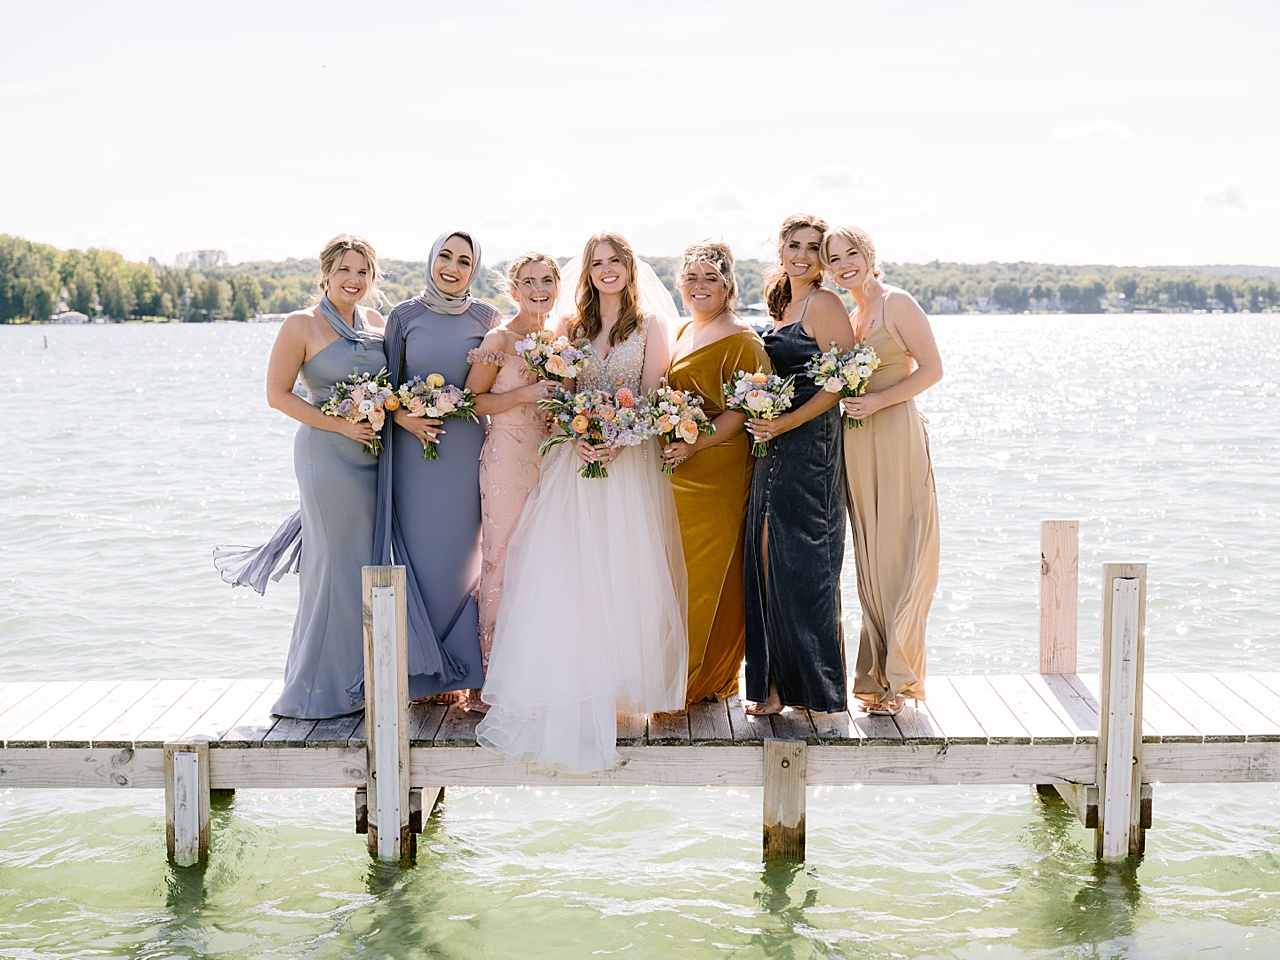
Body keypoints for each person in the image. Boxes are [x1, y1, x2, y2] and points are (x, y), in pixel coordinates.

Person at [476, 231, 688, 772]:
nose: (606, 270)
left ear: (629, 267)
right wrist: (578, 435)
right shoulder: (571, 327)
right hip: (574, 458)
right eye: (597, 263)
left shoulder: (650, 326)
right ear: (588, 271)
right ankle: (572, 681)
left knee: (624, 567)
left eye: (615, 261)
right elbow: (561, 394)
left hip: (629, 461)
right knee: (572, 571)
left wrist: (618, 439)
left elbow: (652, 392)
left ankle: (621, 684)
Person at [213, 234, 386, 718]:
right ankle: (313, 693)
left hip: (373, 456)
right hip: (326, 455)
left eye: (363, 272)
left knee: (364, 566)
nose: (354, 280)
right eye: (345, 270)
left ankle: (359, 682)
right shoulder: (300, 324)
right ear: (327, 273)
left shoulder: (376, 323)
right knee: (331, 566)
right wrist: (342, 425)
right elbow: (279, 395)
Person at [350, 230, 501, 704]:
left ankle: (461, 672)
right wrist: (404, 416)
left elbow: (491, 388)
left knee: (463, 562)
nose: (452, 268)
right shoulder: (404, 317)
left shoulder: (487, 318)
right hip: (415, 459)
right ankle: (421, 677)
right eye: (445, 257)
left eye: (463, 261)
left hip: (465, 454)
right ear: (432, 259)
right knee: (420, 560)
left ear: (473, 269)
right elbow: (385, 387)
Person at [823, 224, 941, 716]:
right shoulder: (852, 316)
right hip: (857, 442)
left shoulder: (897, 302)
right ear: (827, 269)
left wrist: (876, 402)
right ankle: (876, 679)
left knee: (901, 548)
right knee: (871, 558)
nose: (844, 263)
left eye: (852, 252)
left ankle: (899, 676)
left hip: (893, 436)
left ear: (870, 255)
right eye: (834, 258)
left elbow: (932, 369)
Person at [743, 213, 857, 716]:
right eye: (795, 245)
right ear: (781, 250)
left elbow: (841, 382)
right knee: (768, 557)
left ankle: (813, 691)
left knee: (806, 564)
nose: (803, 255)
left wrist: (785, 425)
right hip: (772, 444)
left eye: (814, 248)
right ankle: (773, 683)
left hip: (810, 447)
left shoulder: (825, 302)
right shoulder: (780, 302)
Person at [660, 240, 770, 703]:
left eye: (711, 278)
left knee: (706, 575)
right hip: (676, 474)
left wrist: (694, 442)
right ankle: (666, 670)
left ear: (728, 285)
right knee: (672, 575)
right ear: (680, 285)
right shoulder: (684, 330)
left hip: (717, 473)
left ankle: (698, 678)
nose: (700, 286)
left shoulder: (742, 340)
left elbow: (746, 411)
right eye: (692, 278)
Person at [464, 253, 558, 690]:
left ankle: (535, 670)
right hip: (505, 454)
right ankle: (493, 677)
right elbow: (471, 401)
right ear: (513, 289)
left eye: (546, 280)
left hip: (551, 457)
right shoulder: (499, 339)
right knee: (500, 558)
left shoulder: (559, 339)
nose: (538, 289)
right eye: (528, 281)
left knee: (542, 561)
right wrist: (528, 393)